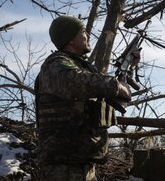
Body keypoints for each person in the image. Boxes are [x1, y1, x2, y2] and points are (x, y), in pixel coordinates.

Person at [35, 15, 138, 181]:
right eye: (83, 31)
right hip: (62, 166)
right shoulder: (55, 64)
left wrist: (129, 68)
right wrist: (115, 86)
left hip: (83, 163)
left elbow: (113, 95)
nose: (87, 35)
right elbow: (74, 83)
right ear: (70, 38)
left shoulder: (80, 67)